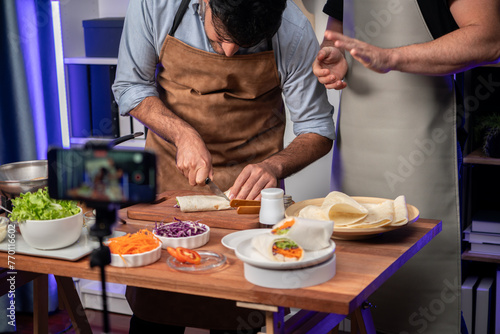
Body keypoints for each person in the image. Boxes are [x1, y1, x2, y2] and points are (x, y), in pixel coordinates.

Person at [112, 0, 335, 332]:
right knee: (155, 309)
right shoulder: (157, 5)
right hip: (170, 178)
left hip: (249, 196)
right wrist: (183, 134)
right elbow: (130, 86)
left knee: (238, 311)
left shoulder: (294, 31)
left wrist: (273, 166)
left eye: (244, 45)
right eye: (218, 38)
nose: (229, 52)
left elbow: (317, 129)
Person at [313, 0, 500, 333]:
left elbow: (489, 38)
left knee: (421, 279)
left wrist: (391, 57)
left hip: (419, 140)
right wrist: (333, 56)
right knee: (356, 275)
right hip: (357, 139)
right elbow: (337, 31)